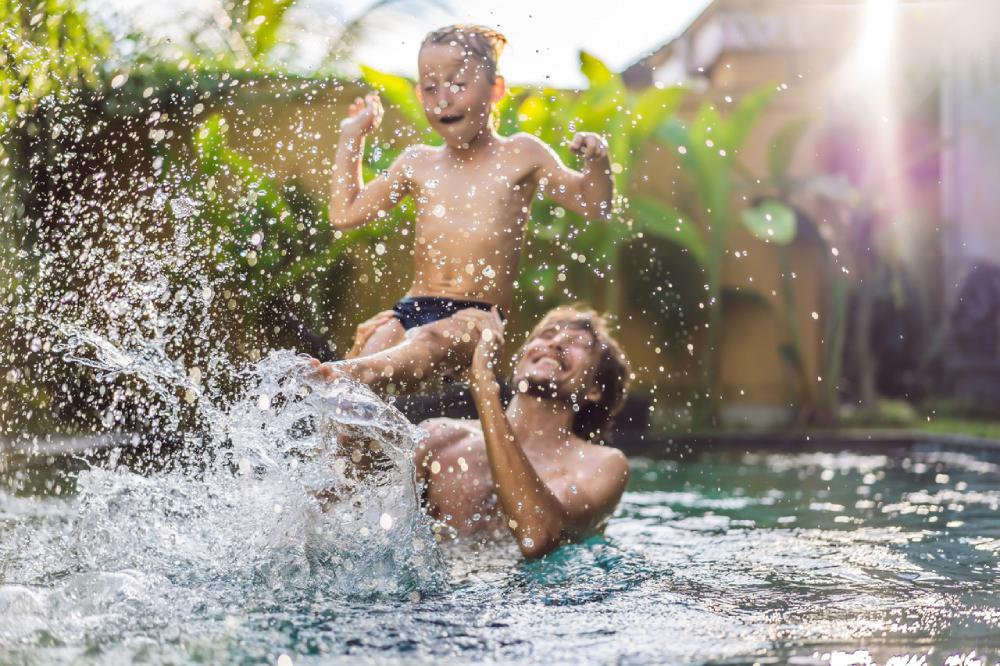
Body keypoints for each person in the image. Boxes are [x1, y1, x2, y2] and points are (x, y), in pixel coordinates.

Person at [311, 24, 615, 392]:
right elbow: (345, 214)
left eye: (457, 84)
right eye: (429, 87)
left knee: (425, 344)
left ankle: (345, 372)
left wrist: (596, 163)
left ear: (496, 89)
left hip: (477, 318)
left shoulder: (521, 154)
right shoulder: (417, 163)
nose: (442, 98)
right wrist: (351, 137)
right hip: (412, 307)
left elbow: (594, 204)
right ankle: (348, 403)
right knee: (375, 350)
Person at [401, 304, 632, 559]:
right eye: (546, 335)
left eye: (577, 342)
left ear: (595, 389)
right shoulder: (440, 437)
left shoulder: (600, 464)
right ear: (521, 359)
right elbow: (362, 515)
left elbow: (538, 537)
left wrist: (485, 387)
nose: (554, 343)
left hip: (530, 595)